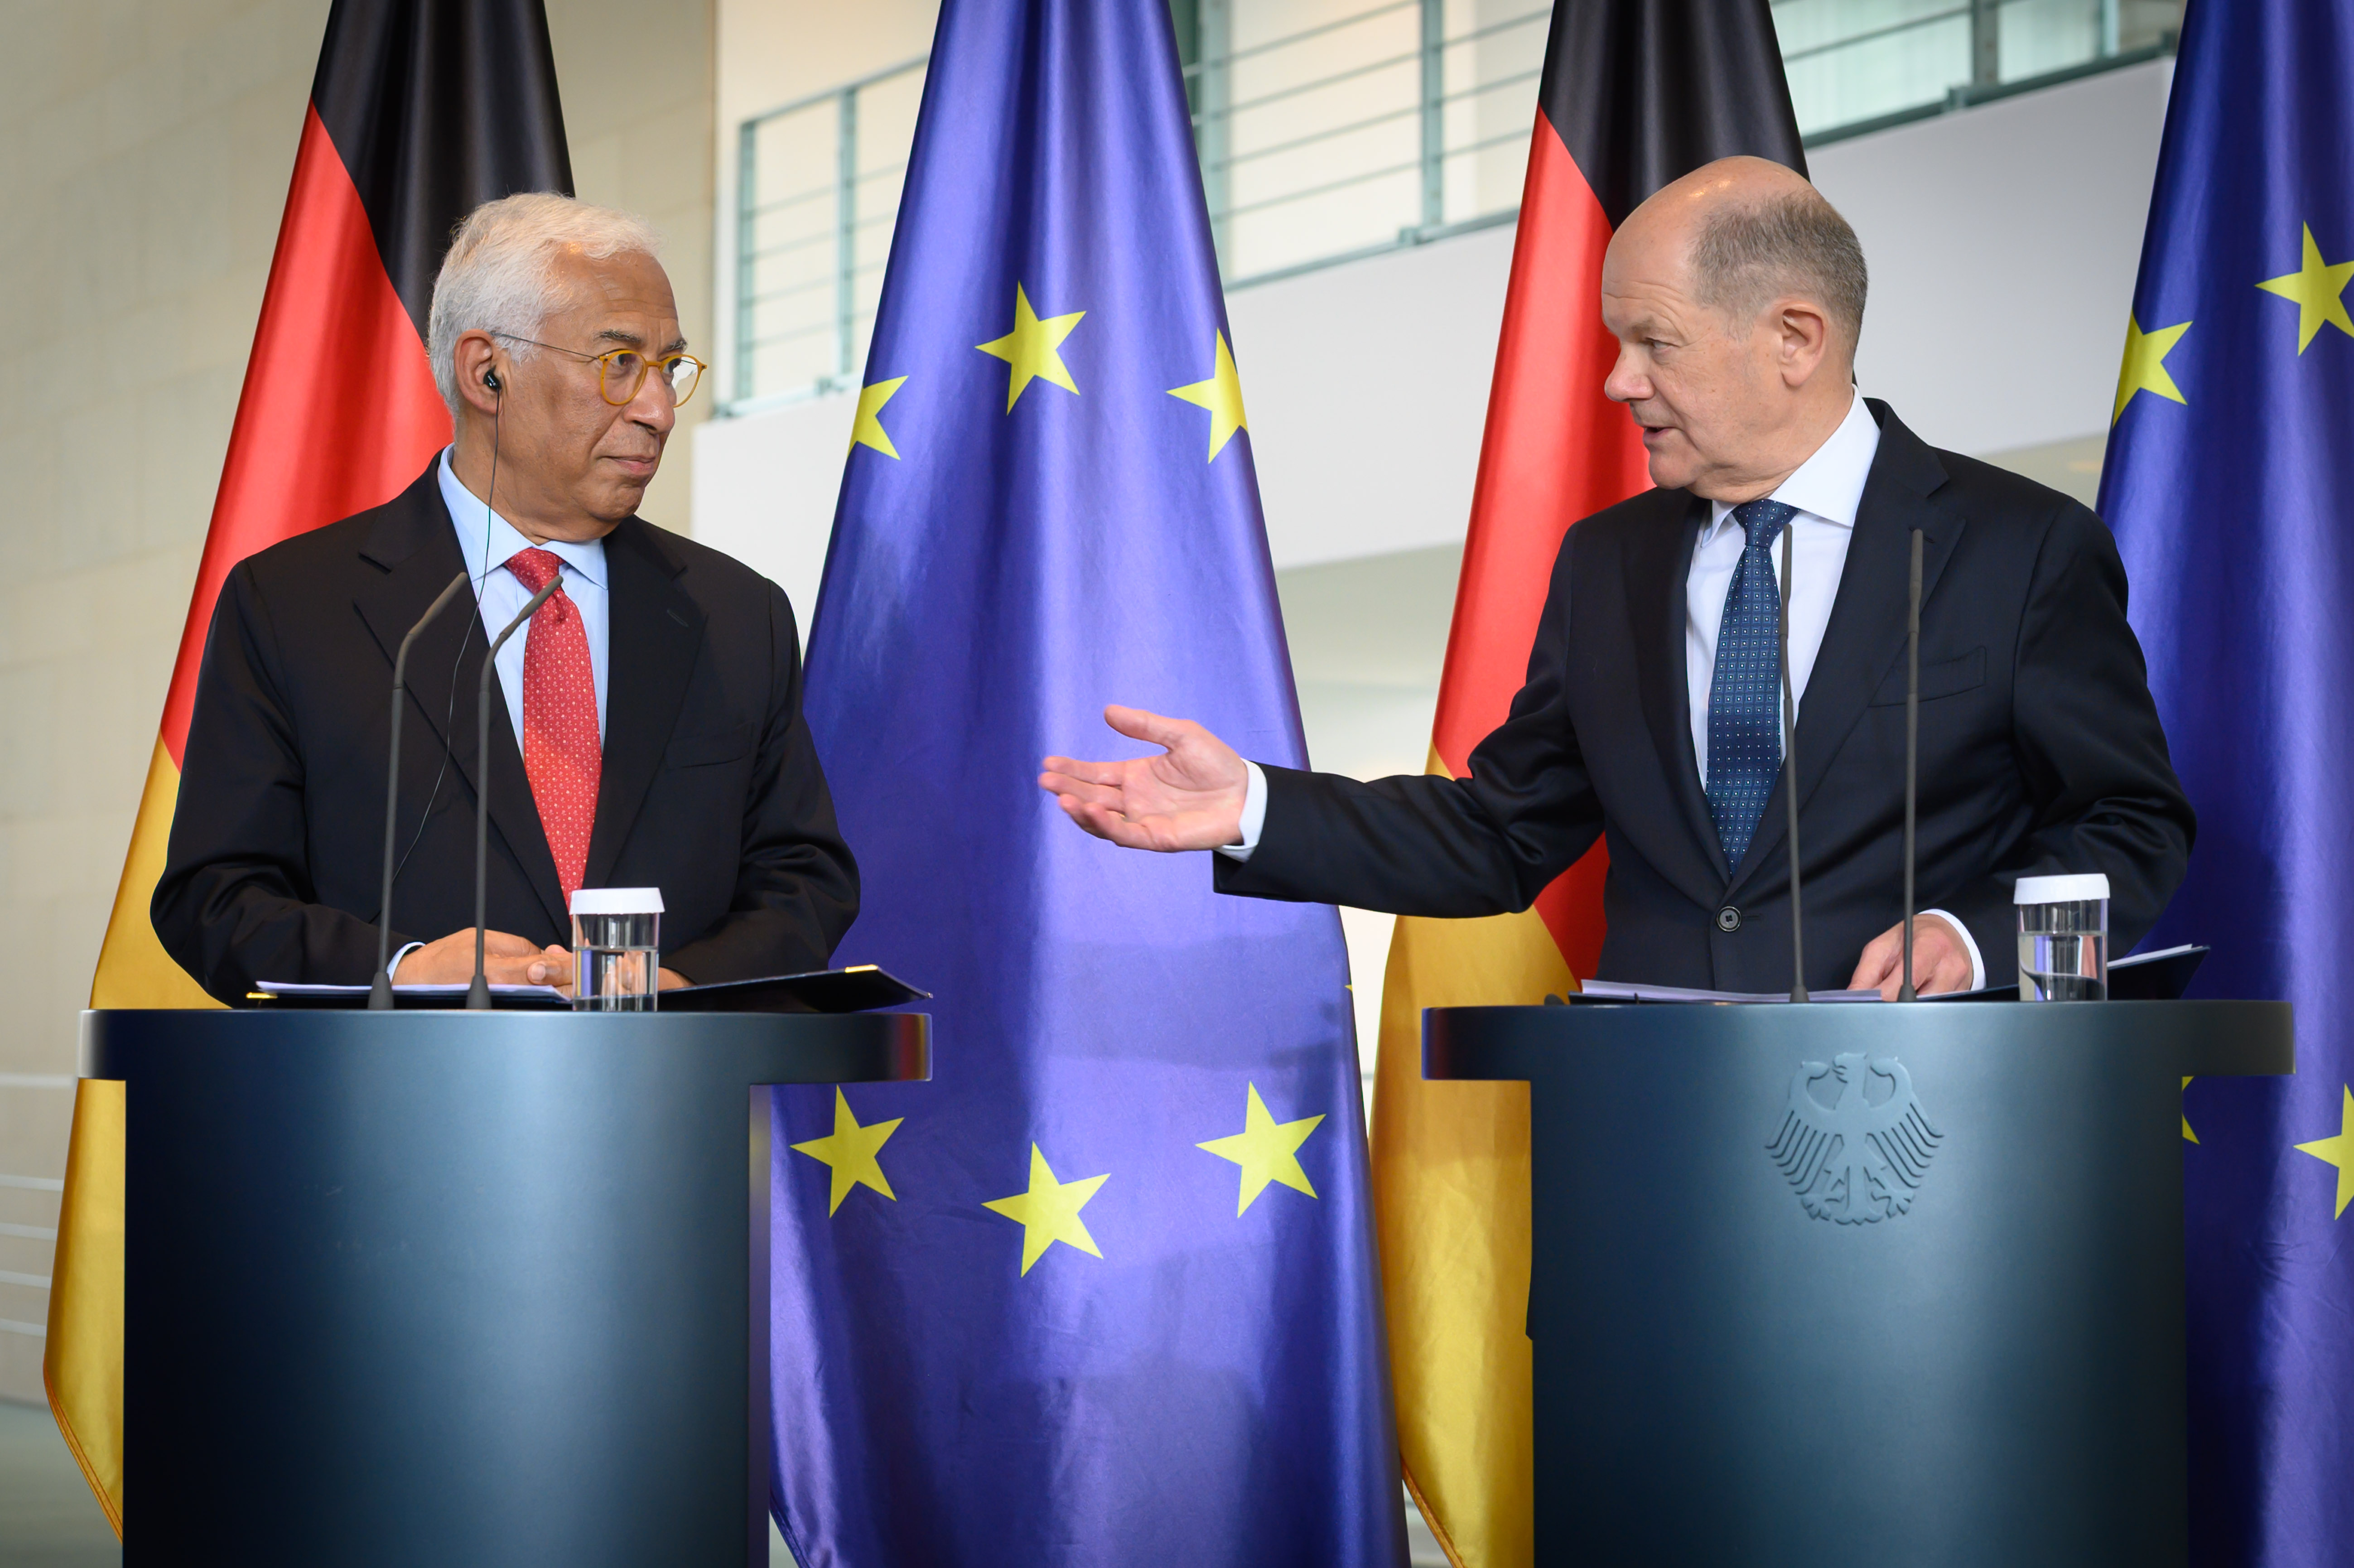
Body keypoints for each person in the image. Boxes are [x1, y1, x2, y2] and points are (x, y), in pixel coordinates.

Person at [1039, 157, 2191, 997]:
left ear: (1795, 338)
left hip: (1930, 1162)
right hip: (1649, 1168)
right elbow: (1500, 834)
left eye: (1654, 342)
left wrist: (1974, 935)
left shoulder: (2021, 548)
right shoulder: (1609, 562)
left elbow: (2131, 821)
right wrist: (1250, 804)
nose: (1616, 383)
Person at [155, 194, 856, 1003]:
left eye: (669, 368)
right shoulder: (293, 606)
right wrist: (403, 970)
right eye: (619, 361)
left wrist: (683, 983)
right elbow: (214, 896)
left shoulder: (739, 615)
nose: (659, 409)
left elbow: (805, 879)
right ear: (488, 370)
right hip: (394, 1108)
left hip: (664, 1105)